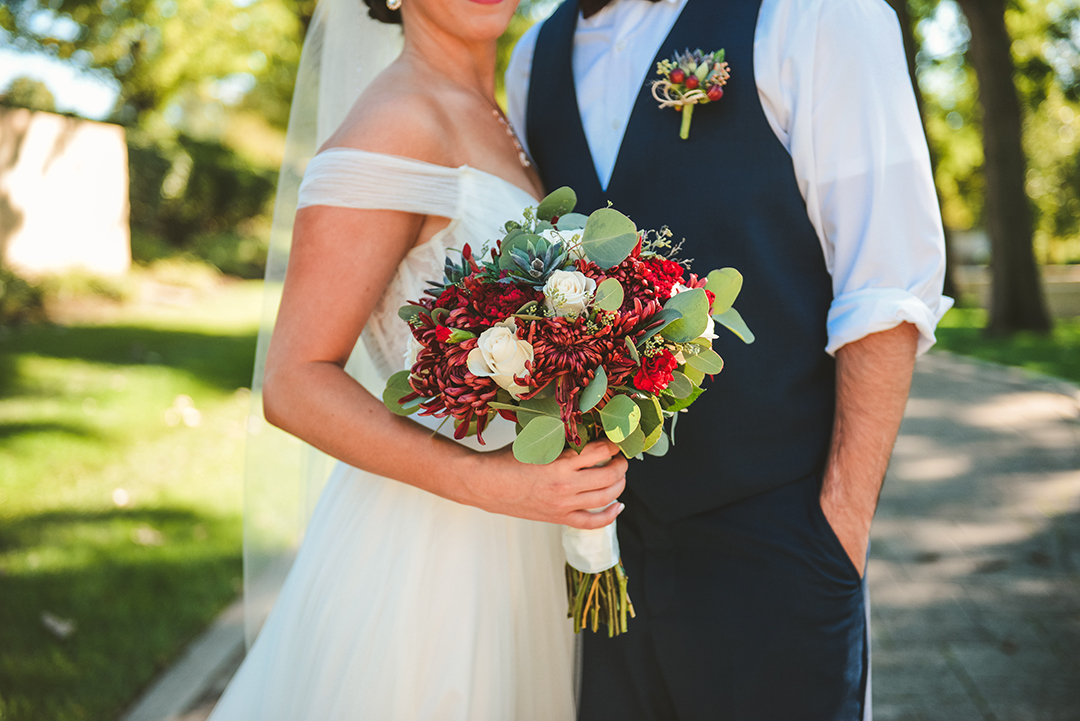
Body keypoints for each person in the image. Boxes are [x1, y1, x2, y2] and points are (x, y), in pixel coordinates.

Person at [505, 0, 952, 718]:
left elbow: (887, 284)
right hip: (601, 562)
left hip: (779, 544)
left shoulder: (814, 14)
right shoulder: (533, 57)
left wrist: (839, 534)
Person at [207, 0, 626, 718]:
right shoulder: (395, 123)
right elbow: (292, 380)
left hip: (525, 535)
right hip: (435, 553)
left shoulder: (504, 114)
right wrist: (490, 483)